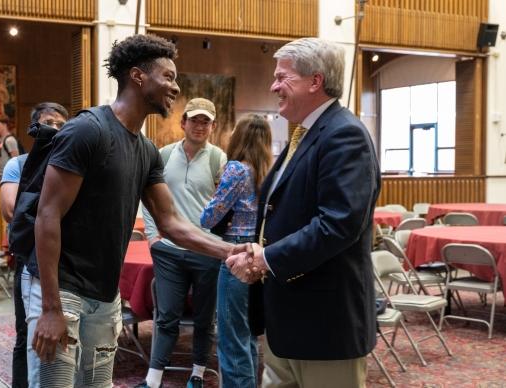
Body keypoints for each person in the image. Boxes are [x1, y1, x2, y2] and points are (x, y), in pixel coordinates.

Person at [26, 34, 248, 388]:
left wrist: (229, 251)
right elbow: (47, 216)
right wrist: (51, 308)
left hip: (104, 292)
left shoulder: (146, 150)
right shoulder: (87, 130)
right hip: (62, 287)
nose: (175, 88)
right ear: (138, 76)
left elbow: (172, 223)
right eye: (169, 77)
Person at [226, 37, 381, 387]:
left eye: (283, 77)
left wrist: (266, 259)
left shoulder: (344, 135)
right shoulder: (307, 135)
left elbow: (338, 225)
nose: (274, 86)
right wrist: (256, 252)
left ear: (315, 81)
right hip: (290, 321)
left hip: (325, 326)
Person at [138, 97, 226, 388]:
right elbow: (147, 195)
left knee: (204, 319)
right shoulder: (162, 155)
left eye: (206, 121)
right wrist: (153, 235)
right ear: (183, 123)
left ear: (213, 126)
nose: (200, 126)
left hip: (206, 251)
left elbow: (227, 206)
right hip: (170, 252)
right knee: (166, 317)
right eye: (195, 120)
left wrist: (217, 242)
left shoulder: (219, 159)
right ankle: (153, 380)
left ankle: (197, 375)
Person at [200, 114, 273, 388]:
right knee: (248, 336)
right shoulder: (267, 171)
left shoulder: (236, 170)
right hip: (259, 259)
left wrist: (217, 203)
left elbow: (207, 218)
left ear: (238, 137)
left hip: (235, 259)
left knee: (231, 341)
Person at [0, 101, 68, 388]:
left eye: (61, 124)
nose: (54, 128)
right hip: (29, 258)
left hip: (64, 259)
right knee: (25, 333)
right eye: (48, 122)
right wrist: (50, 211)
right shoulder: (19, 164)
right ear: (34, 127)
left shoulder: (69, 165)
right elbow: (11, 209)